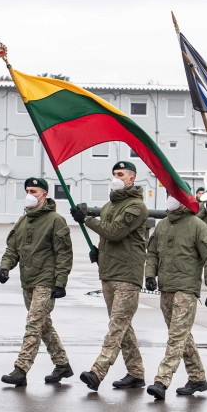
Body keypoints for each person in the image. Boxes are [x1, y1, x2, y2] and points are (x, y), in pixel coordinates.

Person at [71, 161, 149, 391]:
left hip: (127, 274)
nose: (116, 177)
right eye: (114, 173)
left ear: (132, 179)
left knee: (117, 326)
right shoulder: (109, 206)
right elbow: (107, 238)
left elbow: (115, 233)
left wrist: (86, 219)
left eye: (121, 174)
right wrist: (99, 253)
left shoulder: (136, 207)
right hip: (108, 272)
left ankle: (98, 371)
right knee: (123, 327)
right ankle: (136, 374)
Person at [144, 194, 207, 400]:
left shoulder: (197, 225)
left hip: (186, 291)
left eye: (174, 195)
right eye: (167, 195)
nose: (169, 199)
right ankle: (197, 378)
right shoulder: (163, 225)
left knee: (176, 337)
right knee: (182, 335)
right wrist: (150, 274)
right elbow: (152, 252)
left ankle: (162, 380)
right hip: (166, 289)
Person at [0, 177, 74, 386]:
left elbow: (64, 254)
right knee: (44, 325)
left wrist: (60, 282)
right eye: (27, 191)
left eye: (34, 191)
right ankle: (62, 365)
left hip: (46, 281)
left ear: (44, 195)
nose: (29, 195)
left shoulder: (55, 220)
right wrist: (5, 267)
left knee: (33, 324)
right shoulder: (23, 221)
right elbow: (12, 248)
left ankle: (21, 369)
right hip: (28, 281)